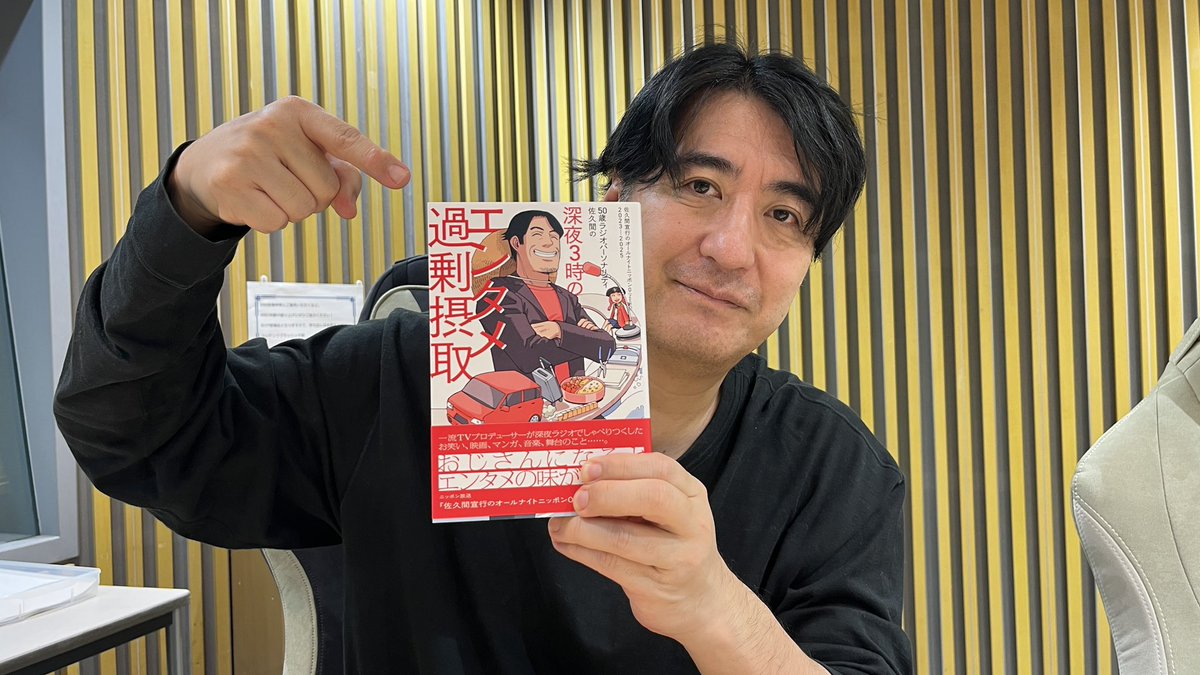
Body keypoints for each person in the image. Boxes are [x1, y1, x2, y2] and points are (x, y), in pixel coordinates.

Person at [55, 43, 911, 673]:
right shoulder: (398, 381)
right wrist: (188, 211)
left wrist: (714, 607)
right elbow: (137, 435)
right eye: (700, 186)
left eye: (785, 216)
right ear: (614, 200)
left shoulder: (834, 470)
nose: (730, 247)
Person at [475, 209, 615, 384]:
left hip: (578, 394)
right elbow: (528, 356)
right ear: (517, 243)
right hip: (525, 398)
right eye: (537, 235)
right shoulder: (498, 293)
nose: (549, 243)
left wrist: (558, 330)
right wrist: (585, 340)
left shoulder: (567, 297)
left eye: (554, 236)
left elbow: (607, 347)